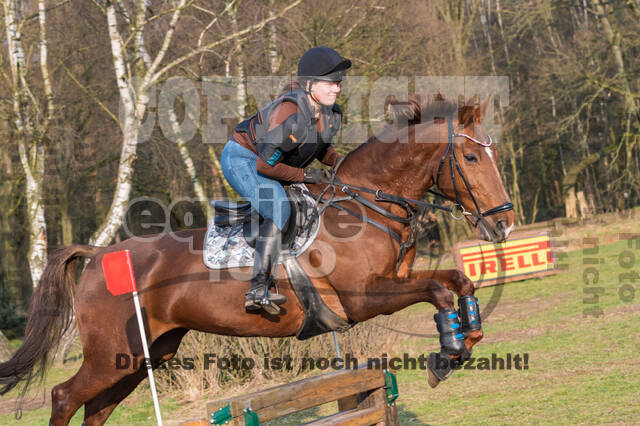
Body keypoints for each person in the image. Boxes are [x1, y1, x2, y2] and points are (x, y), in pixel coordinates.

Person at [220, 46, 351, 313]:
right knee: (279, 207)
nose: (336, 89)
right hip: (243, 158)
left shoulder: (331, 113)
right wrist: (303, 175)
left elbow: (320, 148)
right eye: (330, 83)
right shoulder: (290, 114)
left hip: (273, 162)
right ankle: (257, 289)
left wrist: (344, 163)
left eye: (338, 83)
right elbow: (265, 165)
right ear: (310, 84)